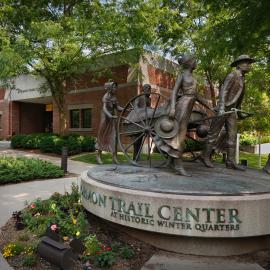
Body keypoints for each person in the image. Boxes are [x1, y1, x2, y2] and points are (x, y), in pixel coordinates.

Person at [200, 55, 255, 170]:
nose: (249, 65)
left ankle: (230, 161)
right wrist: (221, 107)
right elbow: (224, 92)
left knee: (232, 136)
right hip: (223, 109)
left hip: (232, 111)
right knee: (213, 134)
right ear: (239, 64)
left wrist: (240, 112)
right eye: (247, 63)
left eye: (249, 63)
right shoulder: (232, 75)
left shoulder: (242, 78)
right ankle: (205, 156)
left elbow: (238, 98)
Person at [155, 54, 198, 176]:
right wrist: (173, 107)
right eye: (194, 60)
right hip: (183, 106)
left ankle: (171, 162)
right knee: (179, 136)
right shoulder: (182, 75)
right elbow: (174, 92)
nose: (196, 62)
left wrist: (209, 106)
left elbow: (196, 95)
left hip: (189, 105)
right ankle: (178, 167)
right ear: (188, 63)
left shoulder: (193, 77)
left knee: (179, 135)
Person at [95, 81, 123, 164]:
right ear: (110, 88)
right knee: (102, 136)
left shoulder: (114, 97)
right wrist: (110, 116)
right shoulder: (106, 96)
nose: (116, 89)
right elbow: (104, 108)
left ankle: (114, 157)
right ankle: (98, 155)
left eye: (116, 87)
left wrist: (126, 109)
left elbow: (117, 107)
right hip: (105, 118)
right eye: (114, 87)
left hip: (111, 118)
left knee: (114, 137)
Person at [132, 84, 152, 161]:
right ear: (143, 90)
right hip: (139, 120)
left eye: (150, 88)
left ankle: (136, 157)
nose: (149, 90)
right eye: (147, 88)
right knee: (136, 141)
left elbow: (149, 109)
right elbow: (136, 107)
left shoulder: (149, 99)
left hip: (146, 120)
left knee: (139, 141)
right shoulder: (140, 97)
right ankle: (135, 157)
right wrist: (146, 109)